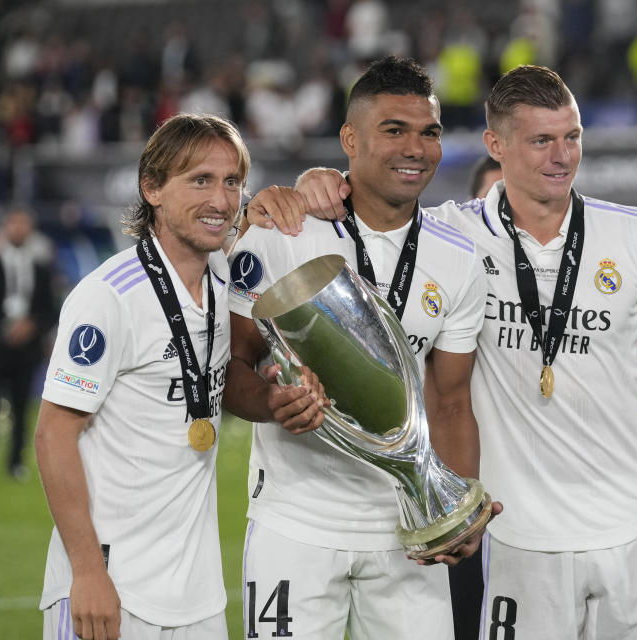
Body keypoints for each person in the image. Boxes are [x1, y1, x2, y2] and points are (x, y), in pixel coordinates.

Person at [263, 64, 637, 638]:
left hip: (634, 526)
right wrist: (313, 183)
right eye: (541, 140)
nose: (562, 156)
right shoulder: (452, 237)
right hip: (518, 541)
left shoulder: (635, 235)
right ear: (495, 145)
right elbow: (378, 202)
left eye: (572, 137)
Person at [226, 56, 495, 640]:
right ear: (350, 138)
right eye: (393, 129)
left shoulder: (459, 256)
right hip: (296, 524)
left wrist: (454, 508)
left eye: (430, 132)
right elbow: (230, 366)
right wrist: (273, 403)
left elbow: (450, 401)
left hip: (405, 533)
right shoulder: (281, 231)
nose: (416, 148)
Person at [34, 114, 325, 640]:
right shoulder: (108, 297)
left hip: (198, 599)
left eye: (232, 181)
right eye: (199, 180)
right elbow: (54, 434)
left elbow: (229, 375)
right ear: (152, 188)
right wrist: (86, 572)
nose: (220, 198)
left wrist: (275, 399)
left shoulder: (222, 281)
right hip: (112, 587)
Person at [0, 204, 55, 480]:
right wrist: (8, 326)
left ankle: (15, 463)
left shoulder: (41, 269)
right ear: (5, 227)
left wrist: (31, 326)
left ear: (30, 228)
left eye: (23, 223)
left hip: (26, 349)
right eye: (13, 223)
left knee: (21, 408)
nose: (18, 228)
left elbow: (49, 308)